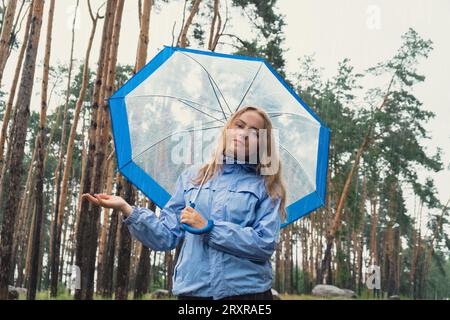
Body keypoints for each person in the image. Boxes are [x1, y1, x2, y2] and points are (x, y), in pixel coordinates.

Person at [83, 105, 287, 300]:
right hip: (194, 291)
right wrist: (126, 209)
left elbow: (264, 244)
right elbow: (165, 236)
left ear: (263, 143)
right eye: (239, 125)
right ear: (228, 130)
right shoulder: (193, 177)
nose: (243, 134)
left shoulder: (267, 187)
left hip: (247, 294)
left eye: (254, 132)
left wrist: (209, 229)